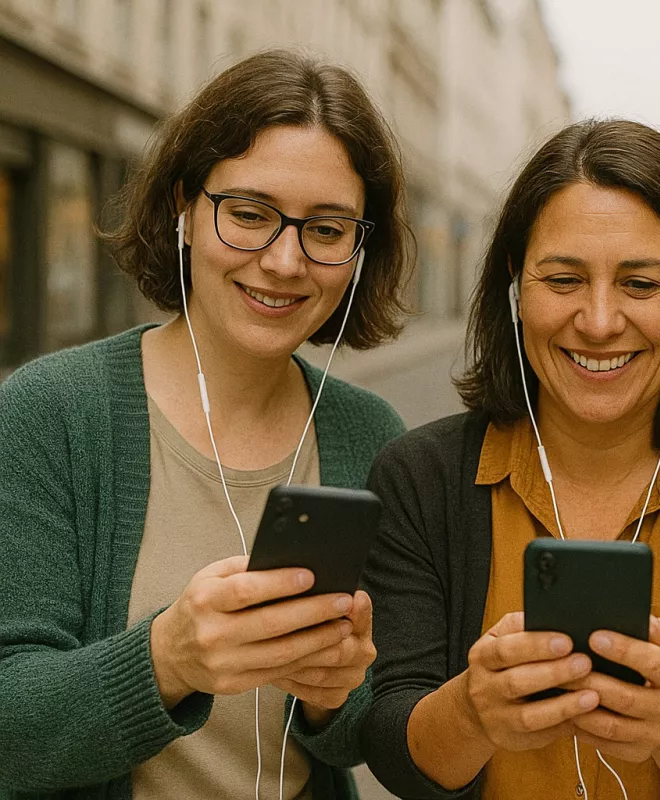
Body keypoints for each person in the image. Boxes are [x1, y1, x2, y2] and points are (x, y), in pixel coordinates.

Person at [360, 118, 660, 800]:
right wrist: (472, 710)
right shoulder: (418, 479)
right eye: (564, 279)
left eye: (640, 284)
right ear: (516, 282)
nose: (600, 321)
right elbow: (392, 747)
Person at [0, 50, 414, 799]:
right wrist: (169, 659)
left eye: (326, 229)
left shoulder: (370, 433)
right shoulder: (50, 411)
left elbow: (361, 730)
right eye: (250, 215)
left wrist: (331, 694)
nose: (285, 261)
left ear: (361, 248)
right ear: (185, 208)